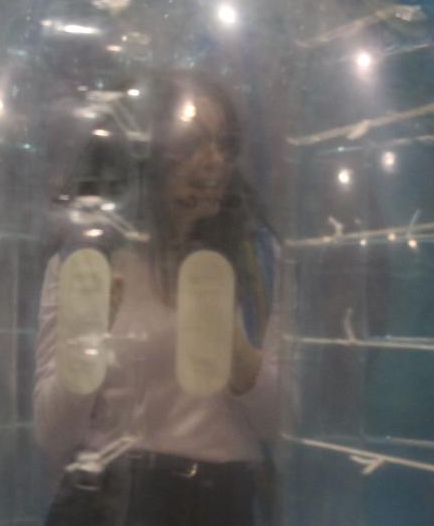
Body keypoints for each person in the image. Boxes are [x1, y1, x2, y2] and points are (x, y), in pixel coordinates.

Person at [33, 70, 280, 526]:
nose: (214, 162)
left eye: (225, 144)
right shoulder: (88, 261)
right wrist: (87, 343)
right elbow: (52, 434)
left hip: (216, 502)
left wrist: (235, 351)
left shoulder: (257, 262)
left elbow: (286, 426)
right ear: (143, 152)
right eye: (191, 144)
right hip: (100, 500)